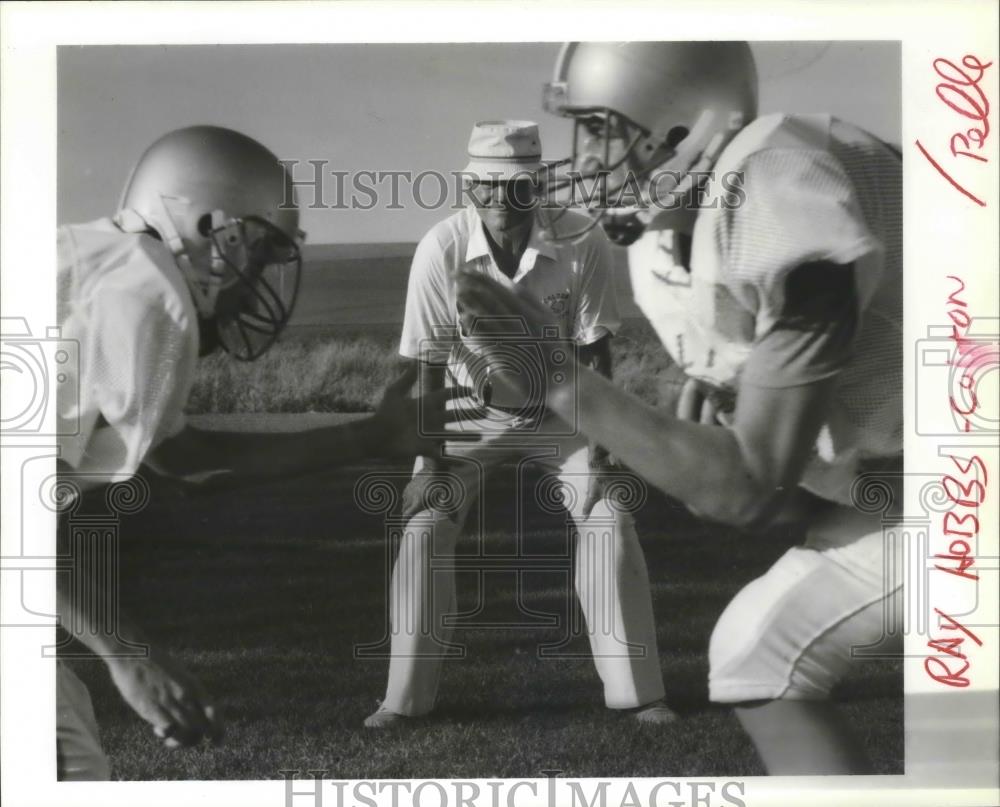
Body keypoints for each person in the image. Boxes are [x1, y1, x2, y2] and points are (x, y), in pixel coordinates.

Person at [455, 43, 903, 774]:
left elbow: (750, 489)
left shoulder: (774, 175)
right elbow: (763, 493)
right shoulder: (666, 240)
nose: (589, 156)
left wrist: (554, 373)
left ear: (675, 122)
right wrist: (705, 463)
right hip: (905, 482)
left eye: (601, 128)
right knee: (757, 653)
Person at [56, 125, 456, 779]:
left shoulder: (102, 261)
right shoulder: (146, 286)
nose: (255, 285)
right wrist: (131, 656)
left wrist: (371, 436)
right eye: (260, 255)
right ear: (212, 226)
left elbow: (179, 458)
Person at [364, 120, 673, 728]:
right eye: (490, 187)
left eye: (519, 187)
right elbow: (427, 360)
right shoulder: (441, 248)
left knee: (609, 517)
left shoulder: (583, 239)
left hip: (561, 409)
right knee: (424, 528)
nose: (504, 200)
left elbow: (594, 351)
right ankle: (401, 703)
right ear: (470, 187)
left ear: (538, 186)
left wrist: (604, 453)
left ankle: (640, 697)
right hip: (466, 413)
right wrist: (427, 464)